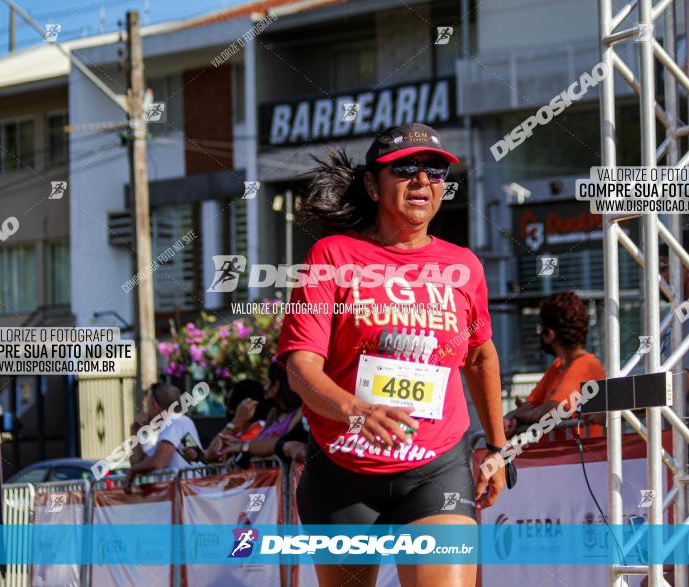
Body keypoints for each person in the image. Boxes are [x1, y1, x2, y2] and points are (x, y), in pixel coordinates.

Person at [276, 123, 509, 587]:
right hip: (343, 474)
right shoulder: (332, 257)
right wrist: (357, 411)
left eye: (435, 170)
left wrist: (499, 448)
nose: (423, 180)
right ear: (371, 183)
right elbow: (301, 368)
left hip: (436, 469)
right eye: (405, 169)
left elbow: (480, 357)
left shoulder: (463, 266)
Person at [504, 292, 606, 439]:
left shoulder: (586, 365)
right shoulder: (559, 365)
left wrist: (522, 416)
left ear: (550, 334)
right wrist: (510, 419)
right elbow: (529, 406)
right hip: (559, 459)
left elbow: (555, 410)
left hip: (576, 459)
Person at [122, 382, 202, 493]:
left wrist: (132, 471)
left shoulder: (175, 422)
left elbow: (158, 462)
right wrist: (135, 431)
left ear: (155, 406)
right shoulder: (180, 422)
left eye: (148, 406)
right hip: (185, 495)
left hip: (186, 497)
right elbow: (139, 462)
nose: (146, 410)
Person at [221, 363, 304, 463]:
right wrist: (238, 444)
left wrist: (243, 445)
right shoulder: (274, 414)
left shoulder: (301, 412)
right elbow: (257, 444)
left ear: (276, 385)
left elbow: (282, 442)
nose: (264, 388)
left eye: (267, 381)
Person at [183, 379, 267, 463]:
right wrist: (196, 455)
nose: (227, 407)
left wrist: (236, 421)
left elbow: (209, 455)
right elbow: (208, 455)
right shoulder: (238, 431)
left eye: (228, 401)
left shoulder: (258, 432)